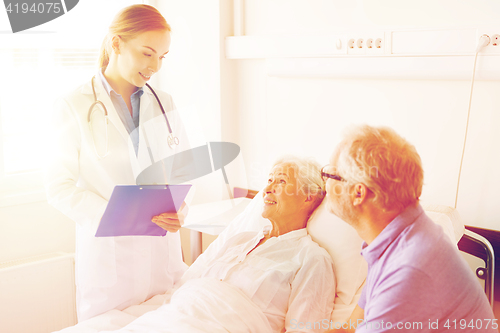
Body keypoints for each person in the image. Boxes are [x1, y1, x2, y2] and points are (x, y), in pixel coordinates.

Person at [57, 156, 336, 333]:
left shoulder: (311, 258)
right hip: (177, 314)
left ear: (309, 196)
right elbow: (193, 283)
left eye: (281, 181)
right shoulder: (242, 239)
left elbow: (305, 329)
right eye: (269, 180)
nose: (268, 188)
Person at [45, 4, 191, 321]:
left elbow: (182, 170)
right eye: (146, 53)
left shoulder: (164, 104)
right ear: (116, 44)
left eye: (162, 57)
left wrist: (181, 209)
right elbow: (58, 187)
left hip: (162, 260)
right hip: (110, 265)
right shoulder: (73, 105)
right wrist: (115, 213)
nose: (155, 66)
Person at [323, 125, 496, 333]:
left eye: (330, 174)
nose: (324, 181)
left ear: (358, 193)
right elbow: (350, 328)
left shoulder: (410, 269)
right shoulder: (394, 239)